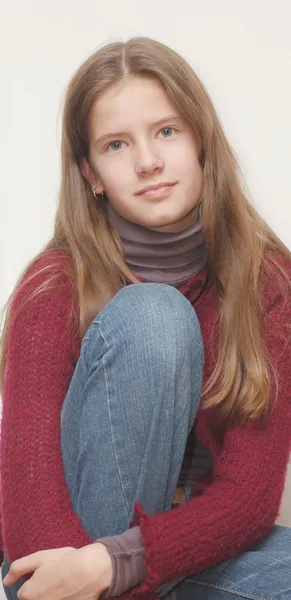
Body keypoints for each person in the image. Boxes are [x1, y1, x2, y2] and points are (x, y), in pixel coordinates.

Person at [0, 36, 290, 600]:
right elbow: (27, 485)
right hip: (59, 558)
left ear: (201, 140)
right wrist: (83, 574)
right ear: (91, 173)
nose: (148, 160)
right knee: (157, 317)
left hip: (171, 554)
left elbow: (248, 499)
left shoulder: (269, 282)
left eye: (166, 131)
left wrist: (119, 564)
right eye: (115, 144)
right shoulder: (55, 285)